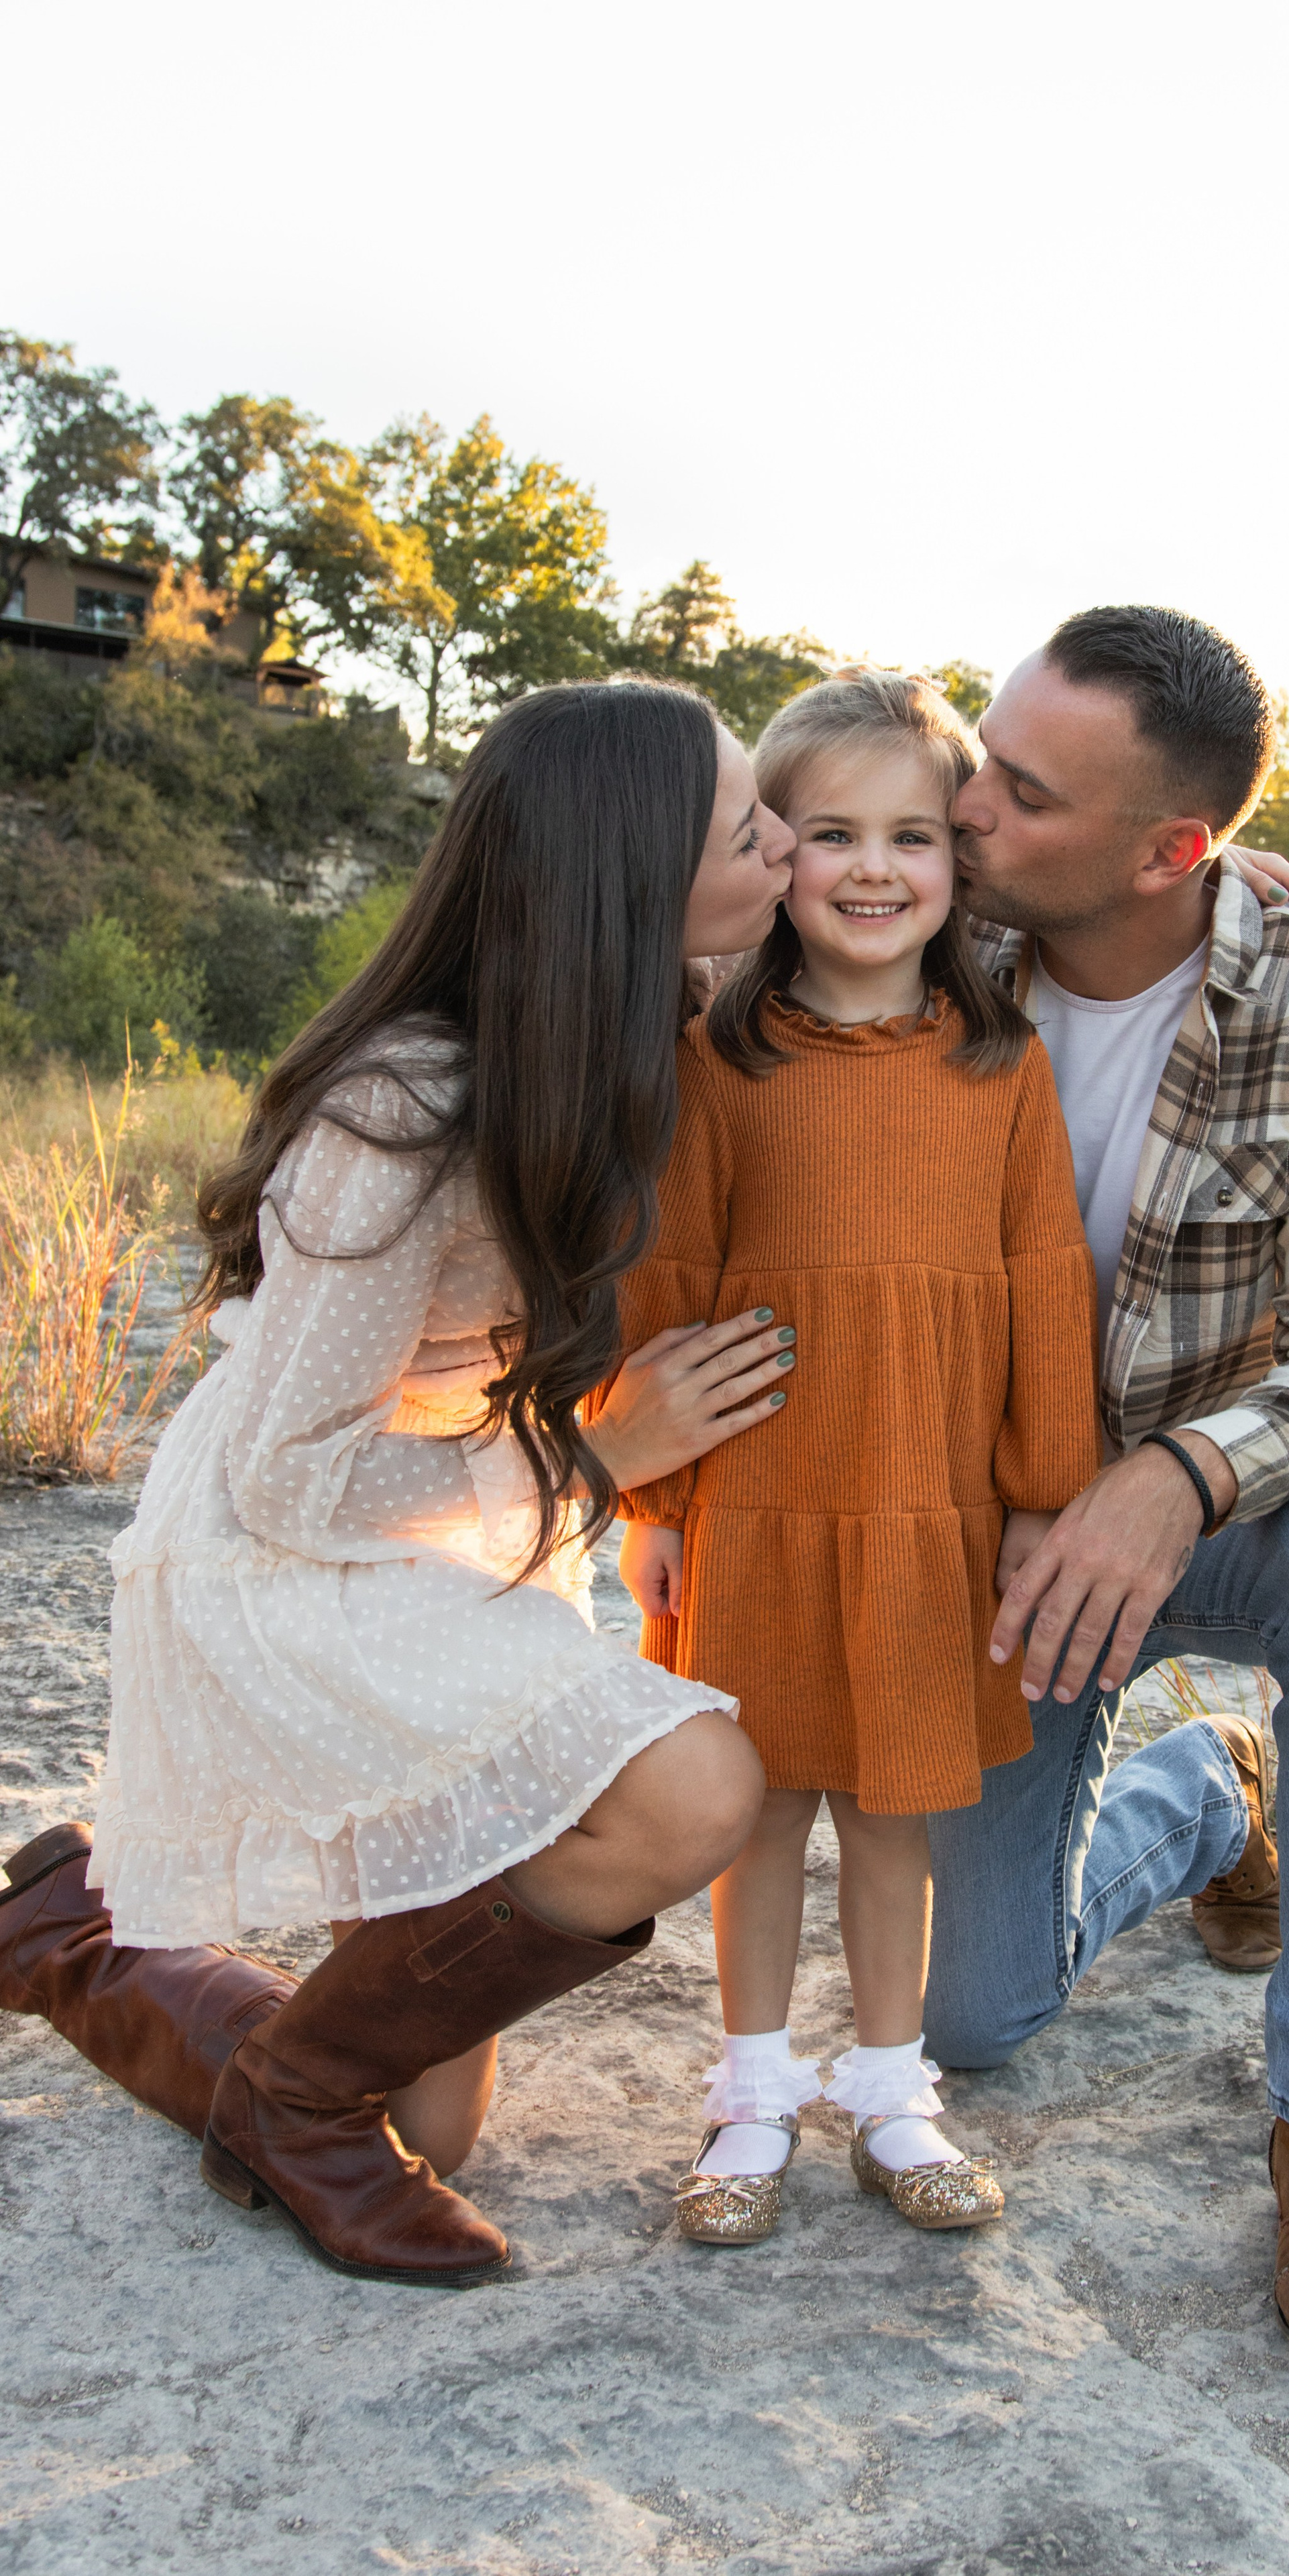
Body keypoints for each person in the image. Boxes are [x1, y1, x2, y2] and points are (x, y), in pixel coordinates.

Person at [0, 678, 808, 2288]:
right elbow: (292, 1477)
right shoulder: (405, 1109)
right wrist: (593, 1456)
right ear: (631, 875)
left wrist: (1232, 885)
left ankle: (63, 1935)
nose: (787, 840)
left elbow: (929, 907)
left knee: (430, 2130)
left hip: (455, 1523)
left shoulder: (655, 1001)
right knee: (691, 1782)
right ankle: (297, 2106)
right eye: (750, 825)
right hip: (287, 1561)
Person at [920, 606, 1289, 2354]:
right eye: (980, 759)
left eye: (1020, 792)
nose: (967, 809)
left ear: (1173, 848)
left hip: (1208, 1529)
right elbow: (741, 844)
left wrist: (1175, 1476)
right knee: (971, 2018)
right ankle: (1215, 1798)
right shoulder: (916, 928)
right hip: (990, 1551)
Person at [608, 673, 1103, 2244]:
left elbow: (1043, 1286)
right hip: (755, 1503)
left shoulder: (1000, 1061)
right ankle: (750, 2094)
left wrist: (1038, 1501)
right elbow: (668, 1285)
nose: (873, 869)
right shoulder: (719, 1060)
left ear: (958, 864)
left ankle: (890, 2092)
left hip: (927, 1510)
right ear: (772, 853)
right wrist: (658, 1506)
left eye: (910, 834)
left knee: (895, 1816)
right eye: (829, 833)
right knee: (754, 1813)